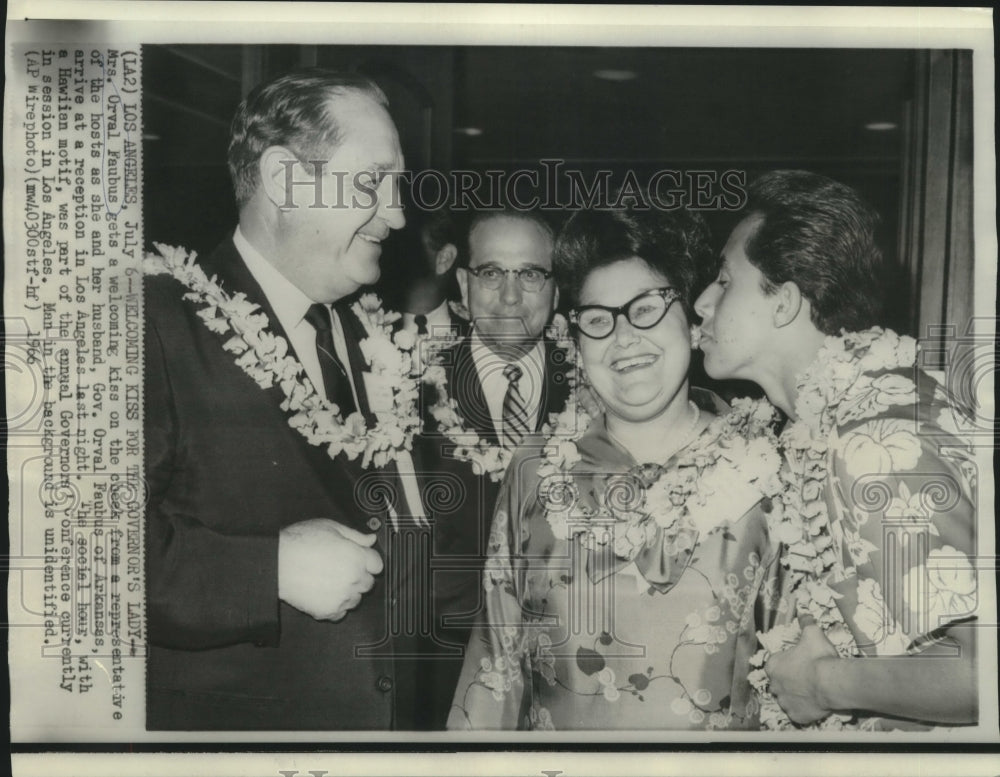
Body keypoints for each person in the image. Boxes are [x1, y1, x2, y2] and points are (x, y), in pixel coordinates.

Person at [144, 68, 426, 730]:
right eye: (371, 183)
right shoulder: (153, 321)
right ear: (283, 178)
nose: (397, 213)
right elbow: (78, 557)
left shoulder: (368, 336)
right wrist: (267, 568)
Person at [447, 204, 786, 730]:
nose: (624, 338)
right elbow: (493, 671)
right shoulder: (536, 470)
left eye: (646, 308)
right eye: (599, 320)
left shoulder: (765, 470)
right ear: (576, 341)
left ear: (693, 320)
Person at [694, 169, 978, 730]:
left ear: (785, 304)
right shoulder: (849, 415)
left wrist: (821, 684)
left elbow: (985, 674)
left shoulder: (875, 443)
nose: (702, 302)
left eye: (725, 281)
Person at [411, 208, 573, 728]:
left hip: (573, 678)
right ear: (463, 281)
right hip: (439, 677)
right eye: (491, 273)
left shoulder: (598, 386)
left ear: (556, 288)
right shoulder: (404, 389)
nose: (509, 297)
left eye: (529, 274)